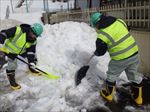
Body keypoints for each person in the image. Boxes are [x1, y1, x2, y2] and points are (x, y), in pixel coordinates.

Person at [90, 12, 143, 105]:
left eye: (95, 26)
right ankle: (138, 98)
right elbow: (127, 28)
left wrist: (97, 52)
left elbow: (101, 52)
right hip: (134, 53)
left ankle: (108, 94)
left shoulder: (102, 35)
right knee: (134, 75)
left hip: (120, 58)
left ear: (97, 24)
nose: (96, 29)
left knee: (111, 75)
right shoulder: (119, 21)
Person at [0, 23, 43, 90]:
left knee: (34, 56)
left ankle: (31, 67)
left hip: (19, 52)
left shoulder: (33, 41)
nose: (35, 37)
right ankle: (11, 79)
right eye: (34, 35)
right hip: (7, 49)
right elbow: (4, 33)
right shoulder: (18, 30)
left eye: (36, 36)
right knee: (12, 65)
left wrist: (31, 62)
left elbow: (31, 52)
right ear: (31, 31)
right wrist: (0, 43)